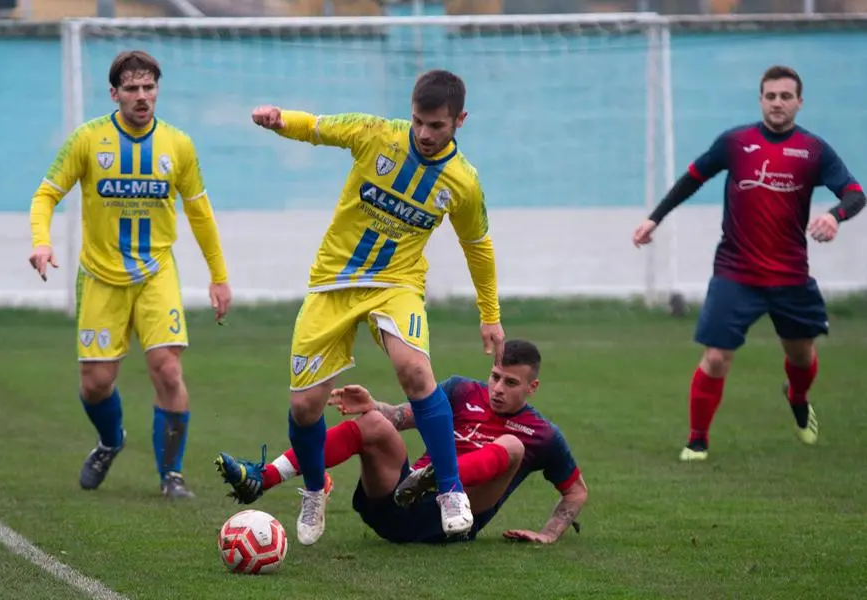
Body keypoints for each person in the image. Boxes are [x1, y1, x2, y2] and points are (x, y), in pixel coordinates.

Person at [218, 69, 505, 544]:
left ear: (460, 121)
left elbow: (478, 246)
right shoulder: (377, 134)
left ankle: (450, 489)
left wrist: (489, 313)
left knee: (414, 371)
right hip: (333, 282)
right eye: (418, 122)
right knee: (306, 408)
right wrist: (278, 119)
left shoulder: (463, 183)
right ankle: (314, 488)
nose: (425, 134)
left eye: (437, 125)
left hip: (397, 282)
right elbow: (319, 127)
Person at [632, 65, 866, 461]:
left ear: (799, 102)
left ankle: (797, 395)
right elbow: (692, 178)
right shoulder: (735, 142)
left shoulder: (813, 150)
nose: (778, 103)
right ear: (761, 99)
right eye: (771, 96)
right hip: (735, 273)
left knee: (801, 356)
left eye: (785, 96)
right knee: (716, 356)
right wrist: (654, 218)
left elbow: (855, 193)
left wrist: (834, 216)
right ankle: (697, 439)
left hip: (790, 275)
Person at [28, 50, 232, 498]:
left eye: (149, 88)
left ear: (157, 91)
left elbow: (200, 213)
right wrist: (41, 240)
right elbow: (46, 194)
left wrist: (218, 276)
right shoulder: (87, 140)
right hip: (101, 276)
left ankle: (171, 476)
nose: (142, 97)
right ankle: (110, 441)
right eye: (132, 89)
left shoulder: (177, 145)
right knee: (97, 384)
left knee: (168, 371)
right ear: (114, 93)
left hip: (156, 273)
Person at [215, 340, 587, 545]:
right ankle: (261, 478)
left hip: (453, 522)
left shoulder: (542, 434)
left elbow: (576, 492)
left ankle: (443, 480)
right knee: (374, 423)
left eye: (510, 383)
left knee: (512, 448)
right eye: (495, 377)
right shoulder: (461, 390)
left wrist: (548, 534)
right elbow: (403, 417)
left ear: (532, 387)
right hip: (397, 504)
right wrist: (373, 405)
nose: (497, 389)